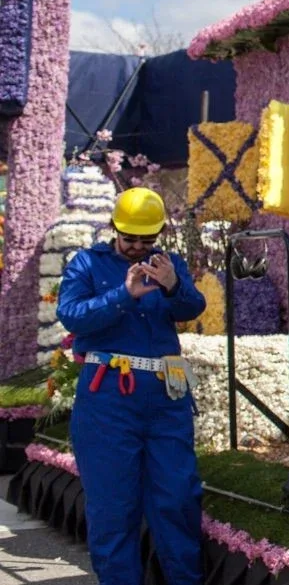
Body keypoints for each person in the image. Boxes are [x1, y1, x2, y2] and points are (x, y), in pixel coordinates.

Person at [56, 187, 206, 585]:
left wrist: (174, 286)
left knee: (178, 496)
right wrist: (122, 294)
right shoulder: (86, 263)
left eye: (147, 239)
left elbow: (193, 307)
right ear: (114, 228)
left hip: (166, 394)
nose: (139, 247)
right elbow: (70, 314)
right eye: (130, 239)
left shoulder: (168, 263)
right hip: (108, 397)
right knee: (113, 504)